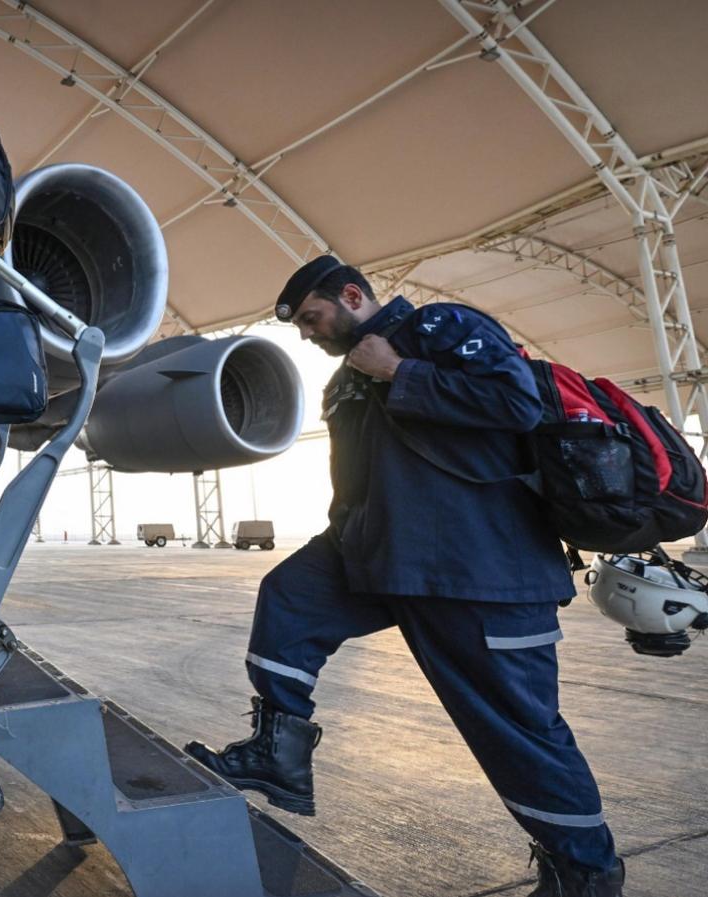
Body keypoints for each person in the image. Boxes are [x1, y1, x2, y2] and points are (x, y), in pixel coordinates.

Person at [184, 255, 625, 897]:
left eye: (312, 317)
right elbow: (356, 484)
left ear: (352, 296)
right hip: (386, 558)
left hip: (482, 574)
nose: (307, 333)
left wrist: (400, 371)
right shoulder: (345, 381)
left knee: (518, 736)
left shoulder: (440, 329)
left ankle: (586, 870)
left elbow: (516, 402)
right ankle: (278, 754)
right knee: (289, 597)